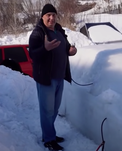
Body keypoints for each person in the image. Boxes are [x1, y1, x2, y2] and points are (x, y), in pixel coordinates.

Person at [29, 3, 77, 151]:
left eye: (53, 15)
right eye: (48, 15)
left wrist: (71, 50)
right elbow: (32, 54)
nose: (51, 18)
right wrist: (45, 48)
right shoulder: (38, 33)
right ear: (42, 16)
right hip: (46, 79)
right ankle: (49, 139)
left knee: (55, 109)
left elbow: (67, 47)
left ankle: (49, 134)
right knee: (47, 110)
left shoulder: (59, 31)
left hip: (59, 77)